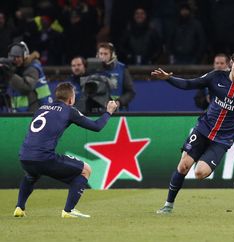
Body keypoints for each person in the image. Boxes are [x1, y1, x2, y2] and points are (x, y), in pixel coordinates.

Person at [151, 49, 234, 214]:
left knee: (199, 173)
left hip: (223, 139)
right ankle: (168, 205)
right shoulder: (216, 77)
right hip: (203, 129)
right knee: (184, 166)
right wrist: (169, 78)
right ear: (231, 63)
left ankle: (205, 158)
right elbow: (189, 84)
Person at [13, 82, 117, 218]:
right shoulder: (69, 110)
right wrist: (109, 112)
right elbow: (96, 126)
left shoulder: (41, 108)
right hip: (44, 158)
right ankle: (68, 211)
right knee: (86, 170)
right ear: (70, 99)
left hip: (24, 156)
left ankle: (19, 208)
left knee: (31, 175)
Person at [80, 42, 135, 112]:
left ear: (112, 55)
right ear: (97, 55)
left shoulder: (121, 69)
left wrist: (119, 102)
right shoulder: (91, 69)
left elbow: (130, 92)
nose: (102, 56)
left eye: (106, 54)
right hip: (95, 111)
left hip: (117, 111)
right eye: (101, 54)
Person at [2, 41, 52, 112]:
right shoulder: (15, 69)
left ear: (24, 56)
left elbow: (27, 87)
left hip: (35, 111)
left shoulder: (32, 68)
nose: (15, 60)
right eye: (13, 57)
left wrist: (9, 75)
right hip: (19, 112)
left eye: (18, 57)